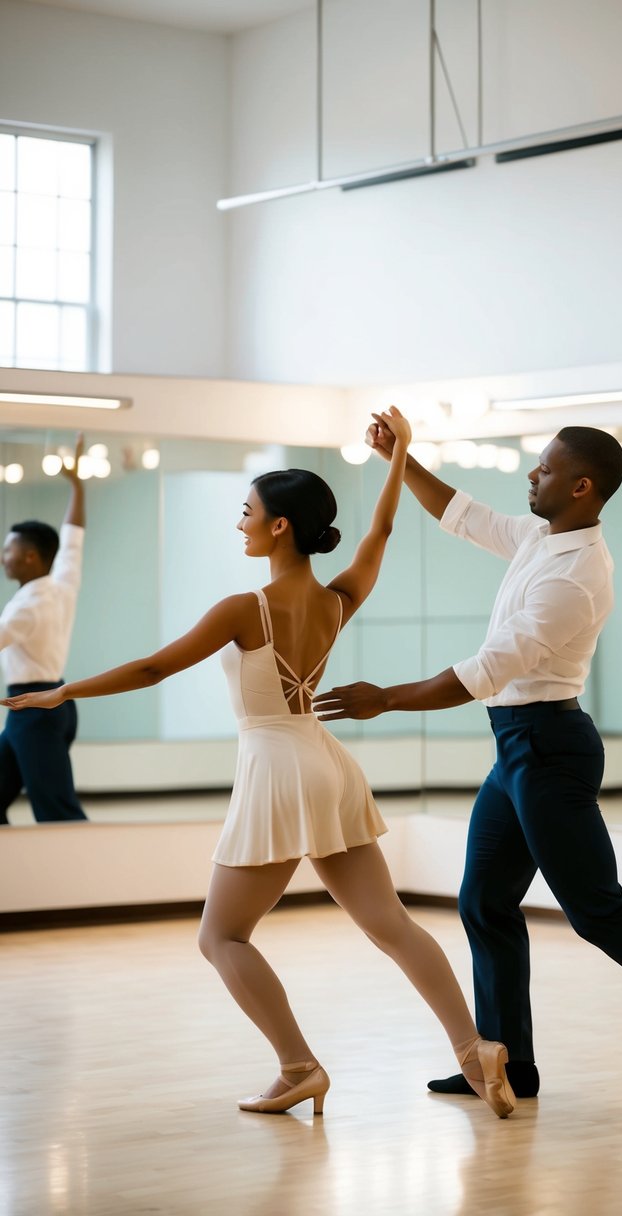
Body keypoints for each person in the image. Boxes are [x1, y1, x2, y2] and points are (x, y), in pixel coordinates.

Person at [2, 408, 515, 1120]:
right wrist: (399, 457)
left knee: (221, 936)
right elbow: (381, 531)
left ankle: (298, 1066)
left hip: (277, 769)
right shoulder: (337, 599)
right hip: (327, 764)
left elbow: (154, 669)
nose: (238, 523)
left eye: (247, 512)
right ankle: (473, 1050)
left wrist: (61, 690)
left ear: (278, 526)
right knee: (390, 923)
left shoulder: (246, 606)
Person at [314, 420, 622, 1105]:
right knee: (484, 903)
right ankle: (505, 1064)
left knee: (597, 913)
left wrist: (385, 699)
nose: (530, 476)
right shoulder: (537, 537)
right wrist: (398, 457)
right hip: (515, 748)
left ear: (581, 487)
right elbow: (460, 514)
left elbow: (485, 672)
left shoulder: (577, 576)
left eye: (544, 470)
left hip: (549, 750)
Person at [0, 434, 88, 824]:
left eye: (9, 550)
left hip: (33, 709)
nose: (4, 557)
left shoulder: (28, 607)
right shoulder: (60, 582)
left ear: (30, 556)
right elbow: (73, 538)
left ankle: (95, 880)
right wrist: (77, 484)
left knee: (57, 811)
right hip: (50, 706)